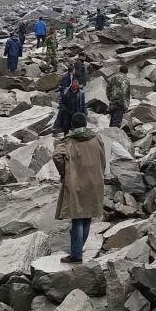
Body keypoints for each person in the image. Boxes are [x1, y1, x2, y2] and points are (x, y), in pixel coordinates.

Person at [52, 112, 105, 264]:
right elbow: (103, 159)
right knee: (87, 216)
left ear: (73, 125)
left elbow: (57, 156)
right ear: (85, 124)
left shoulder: (69, 141)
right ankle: (78, 249)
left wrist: (64, 173)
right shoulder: (97, 138)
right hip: (95, 181)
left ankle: (76, 255)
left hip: (76, 182)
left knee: (77, 218)